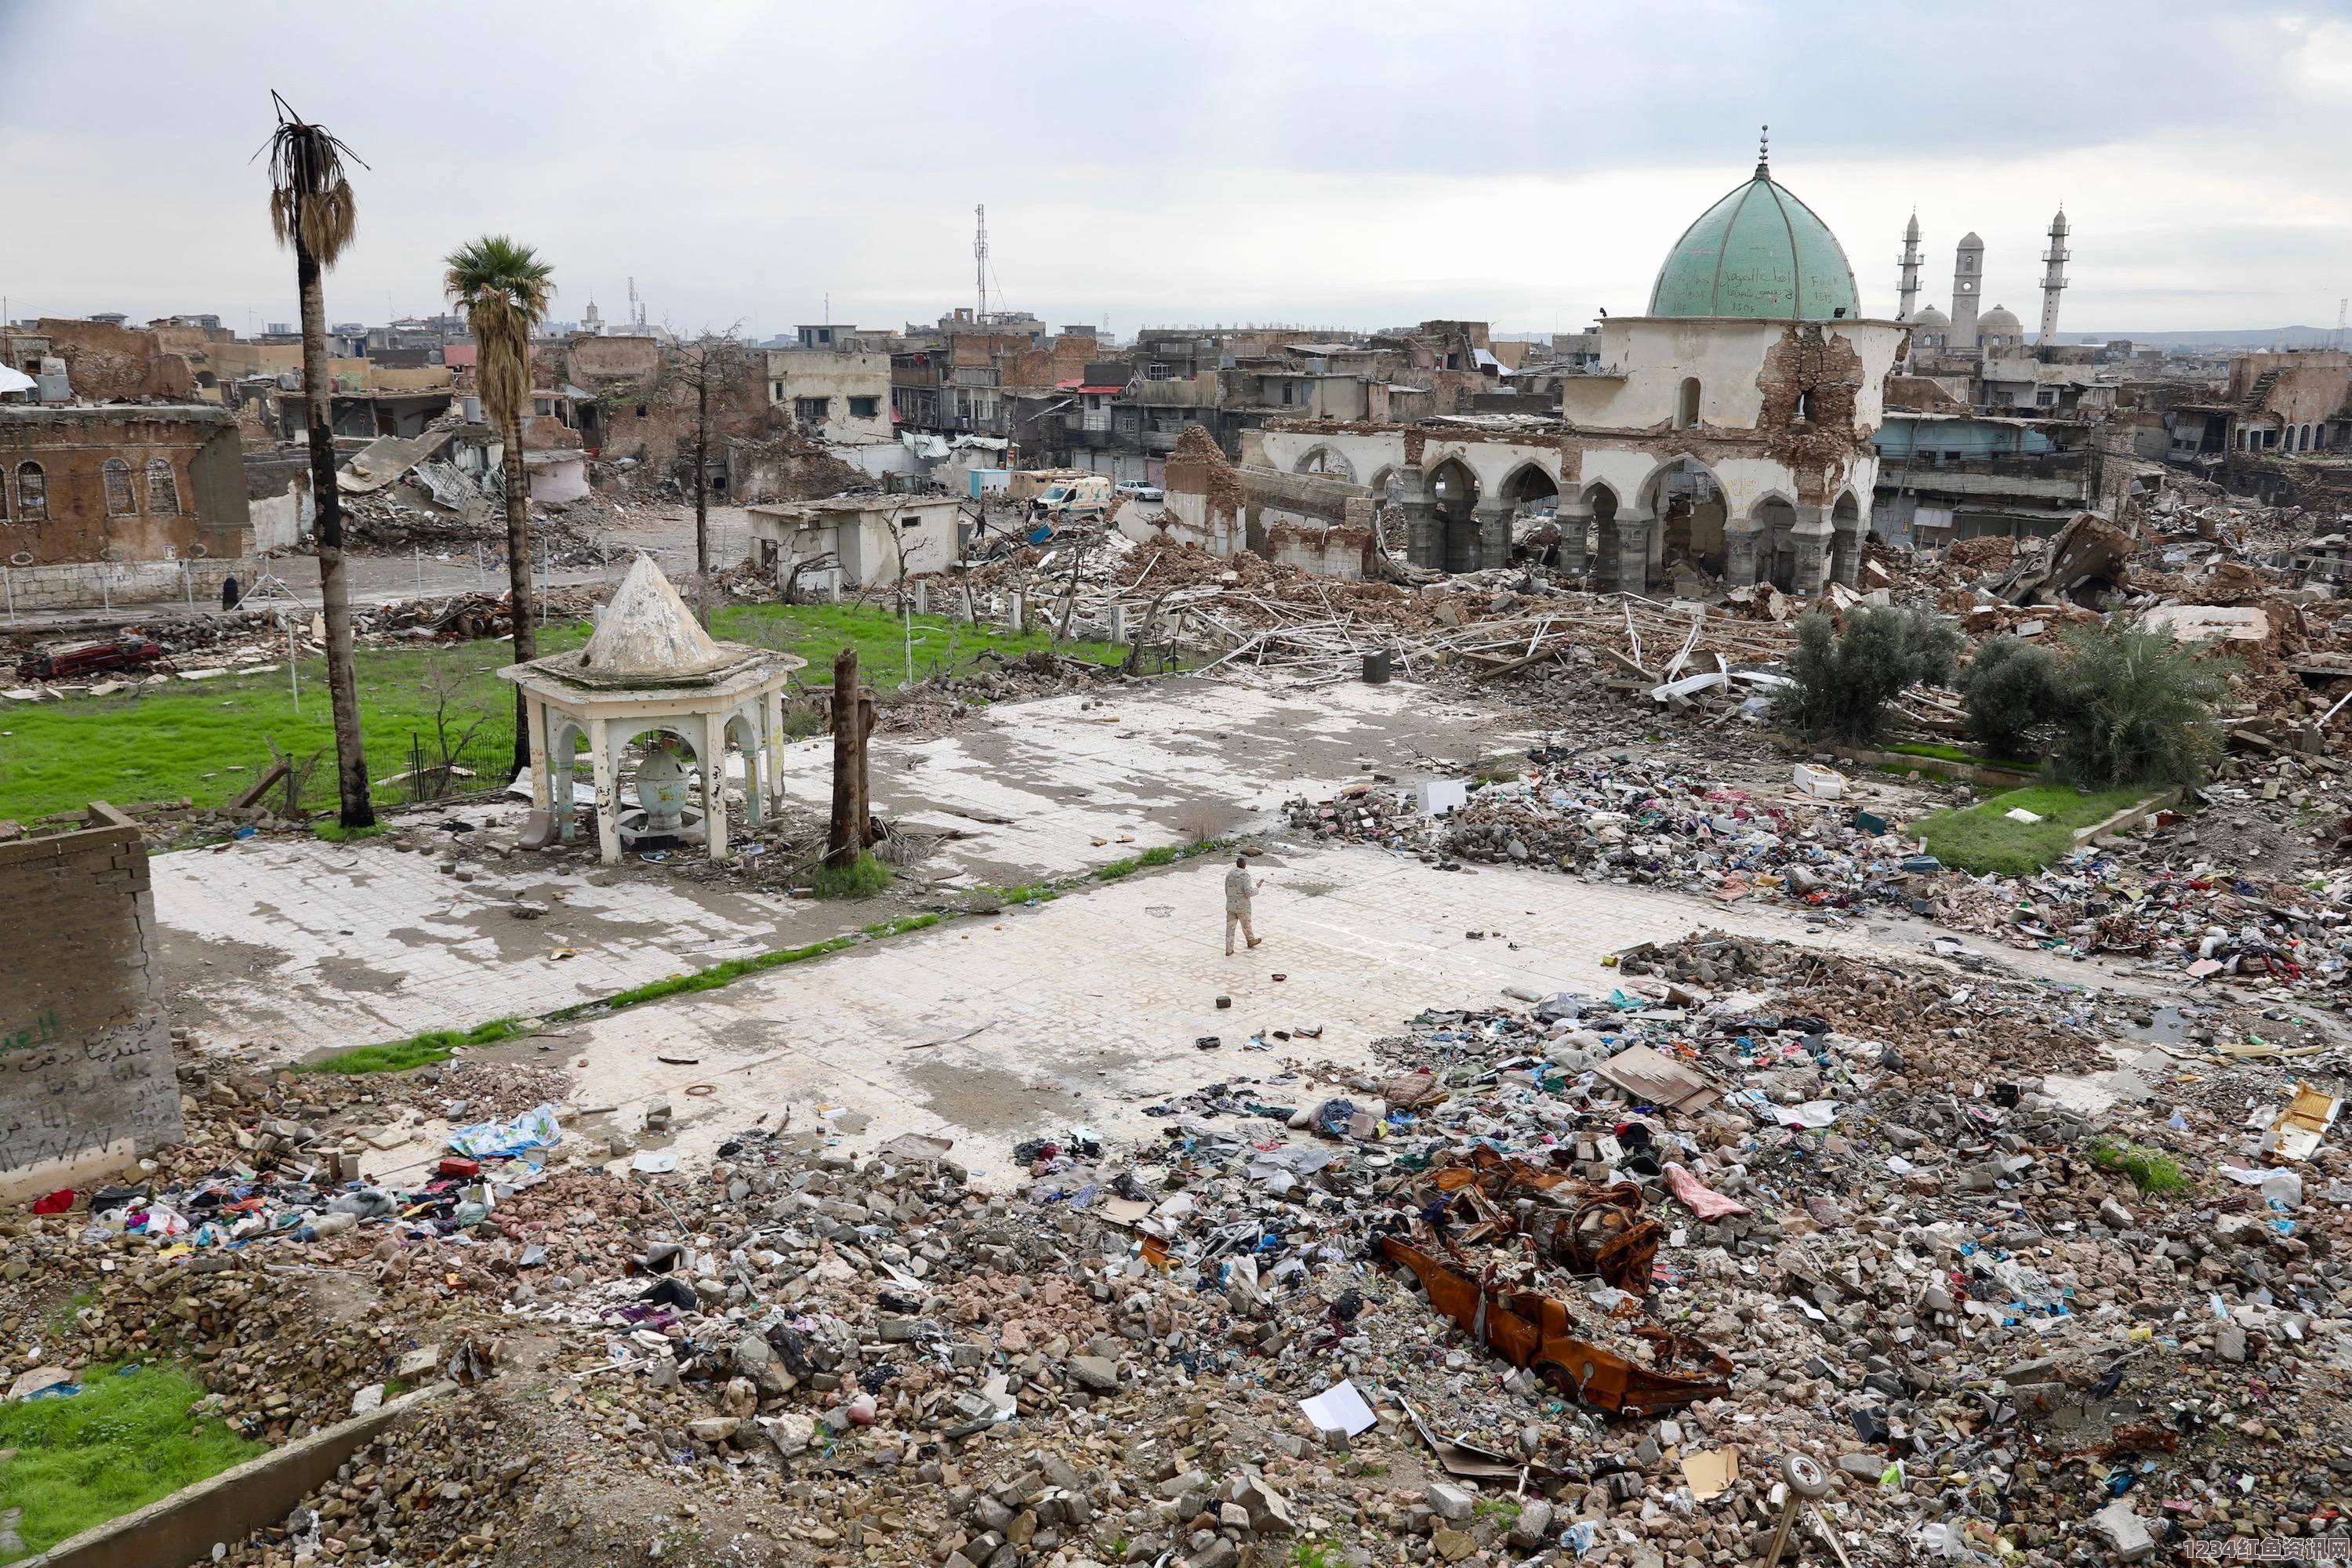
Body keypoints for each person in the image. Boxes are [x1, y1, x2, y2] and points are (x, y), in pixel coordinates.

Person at [1224, 855, 1262, 956]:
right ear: (1244, 866)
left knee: (1230, 930)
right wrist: (1257, 888)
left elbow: (1226, 890)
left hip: (1231, 906)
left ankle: (1229, 950)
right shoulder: (1245, 877)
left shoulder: (1229, 875)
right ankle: (1250, 940)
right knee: (1246, 925)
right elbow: (1248, 892)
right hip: (1242, 907)